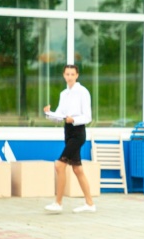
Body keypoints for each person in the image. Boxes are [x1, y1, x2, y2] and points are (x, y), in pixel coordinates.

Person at [44, 64, 96, 213]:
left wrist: (73, 119)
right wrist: (49, 113)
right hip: (67, 132)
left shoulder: (83, 92)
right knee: (77, 169)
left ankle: (58, 203)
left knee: (59, 165)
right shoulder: (63, 94)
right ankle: (90, 204)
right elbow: (59, 116)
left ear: (77, 75)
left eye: (72, 74)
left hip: (78, 133)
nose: (70, 77)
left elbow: (88, 117)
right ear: (63, 75)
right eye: (67, 74)